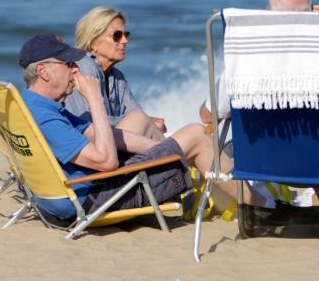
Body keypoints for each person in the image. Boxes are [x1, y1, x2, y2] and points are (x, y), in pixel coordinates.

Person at [199, 0, 319, 237]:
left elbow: (207, 115)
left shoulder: (243, 70)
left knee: (282, 124)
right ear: (309, 18)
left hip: (258, 163)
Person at [19, 34, 267, 221]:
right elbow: (107, 163)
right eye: (68, 65)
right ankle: (264, 207)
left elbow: (95, 132)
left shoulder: (31, 105)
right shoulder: (45, 117)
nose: (75, 70)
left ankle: (222, 183)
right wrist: (93, 97)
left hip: (66, 193)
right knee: (198, 135)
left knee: (153, 128)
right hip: (92, 199)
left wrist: (166, 150)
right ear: (44, 71)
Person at [64, 6, 166, 142]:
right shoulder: (82, 68)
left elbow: (135, 112)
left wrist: (150, 123)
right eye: (117, 36)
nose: (125, 41)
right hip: (87, 148)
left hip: (111, 143)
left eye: (126, 35)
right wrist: (147, 121)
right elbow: (85, 121)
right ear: (93, 43)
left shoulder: (117, 76)